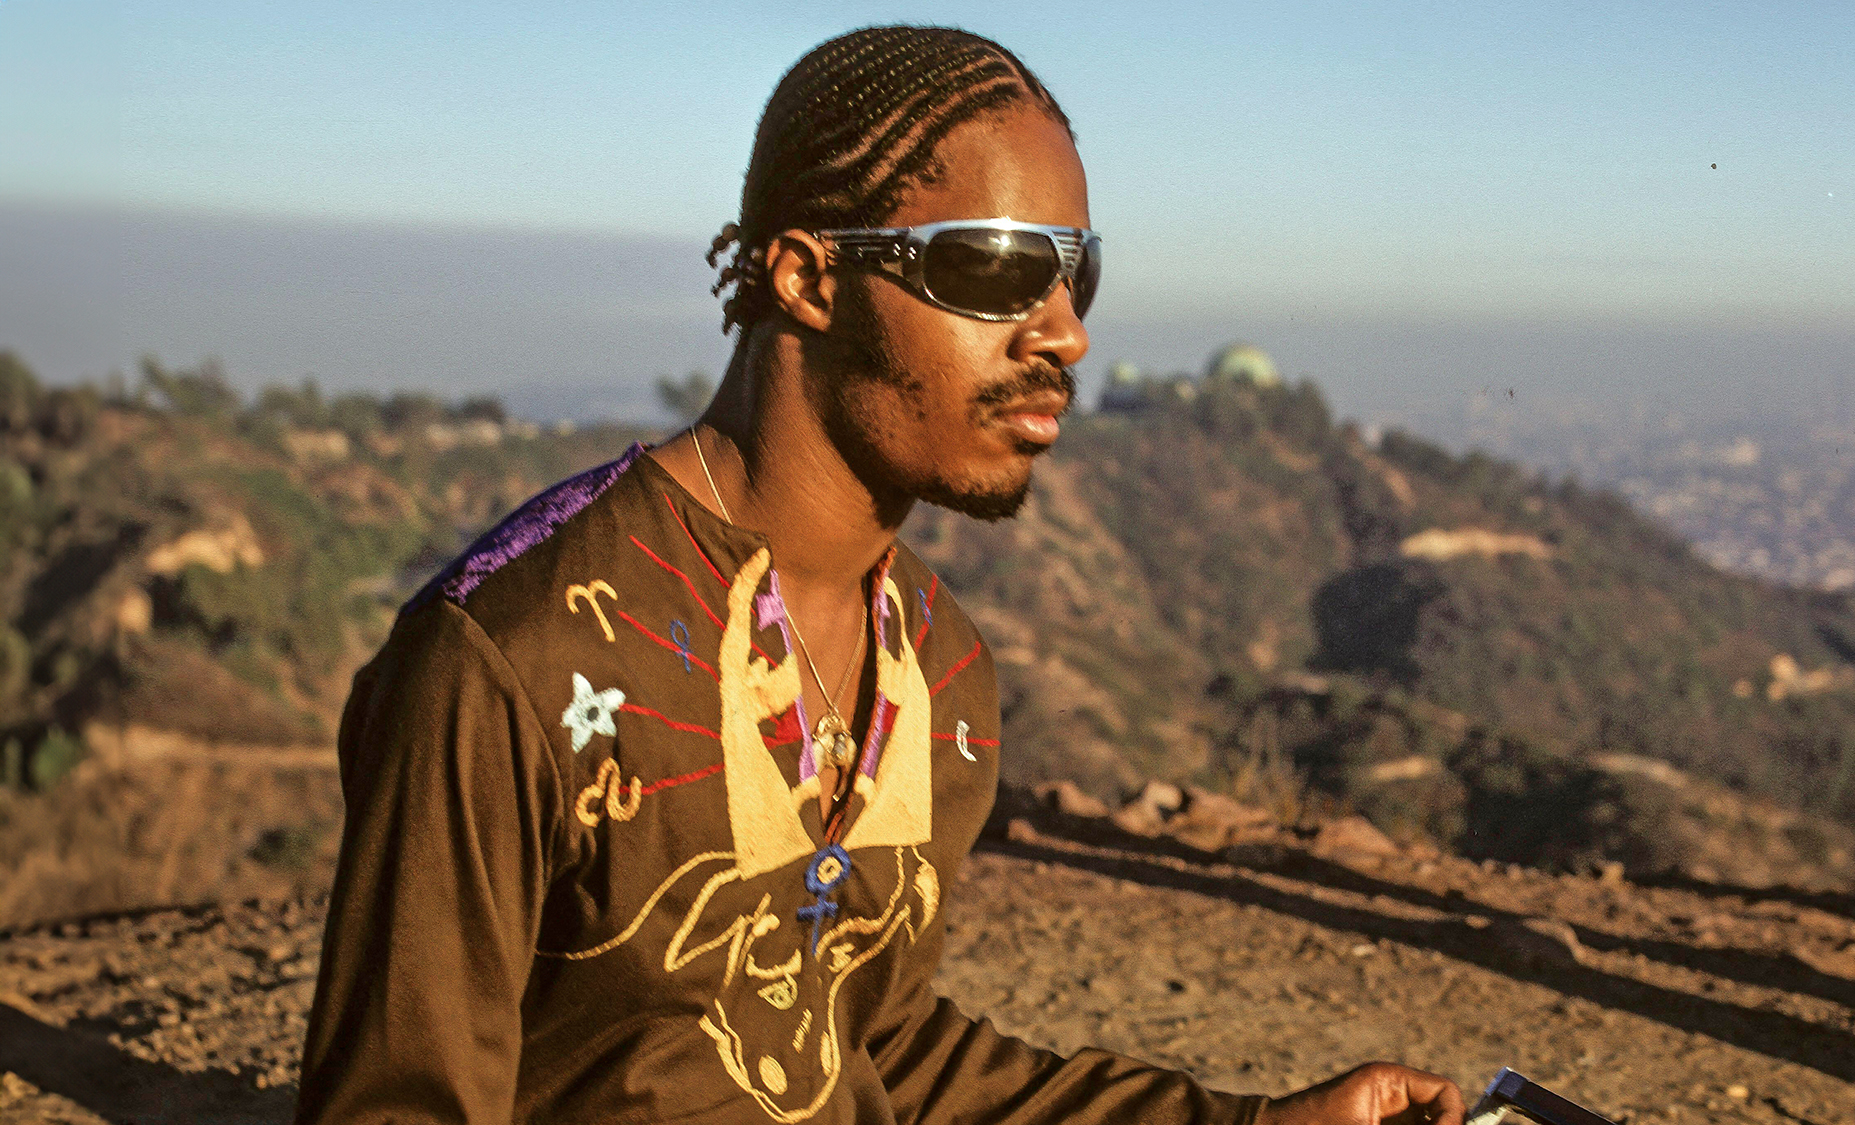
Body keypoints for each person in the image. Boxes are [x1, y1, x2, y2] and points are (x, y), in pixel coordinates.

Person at [296, 25, 1465, 1125]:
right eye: (996, 270)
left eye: (1074, 276)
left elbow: (872, 1047)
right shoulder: (515, 656)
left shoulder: (939, 669)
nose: (1063, 334)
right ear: (808, 281)